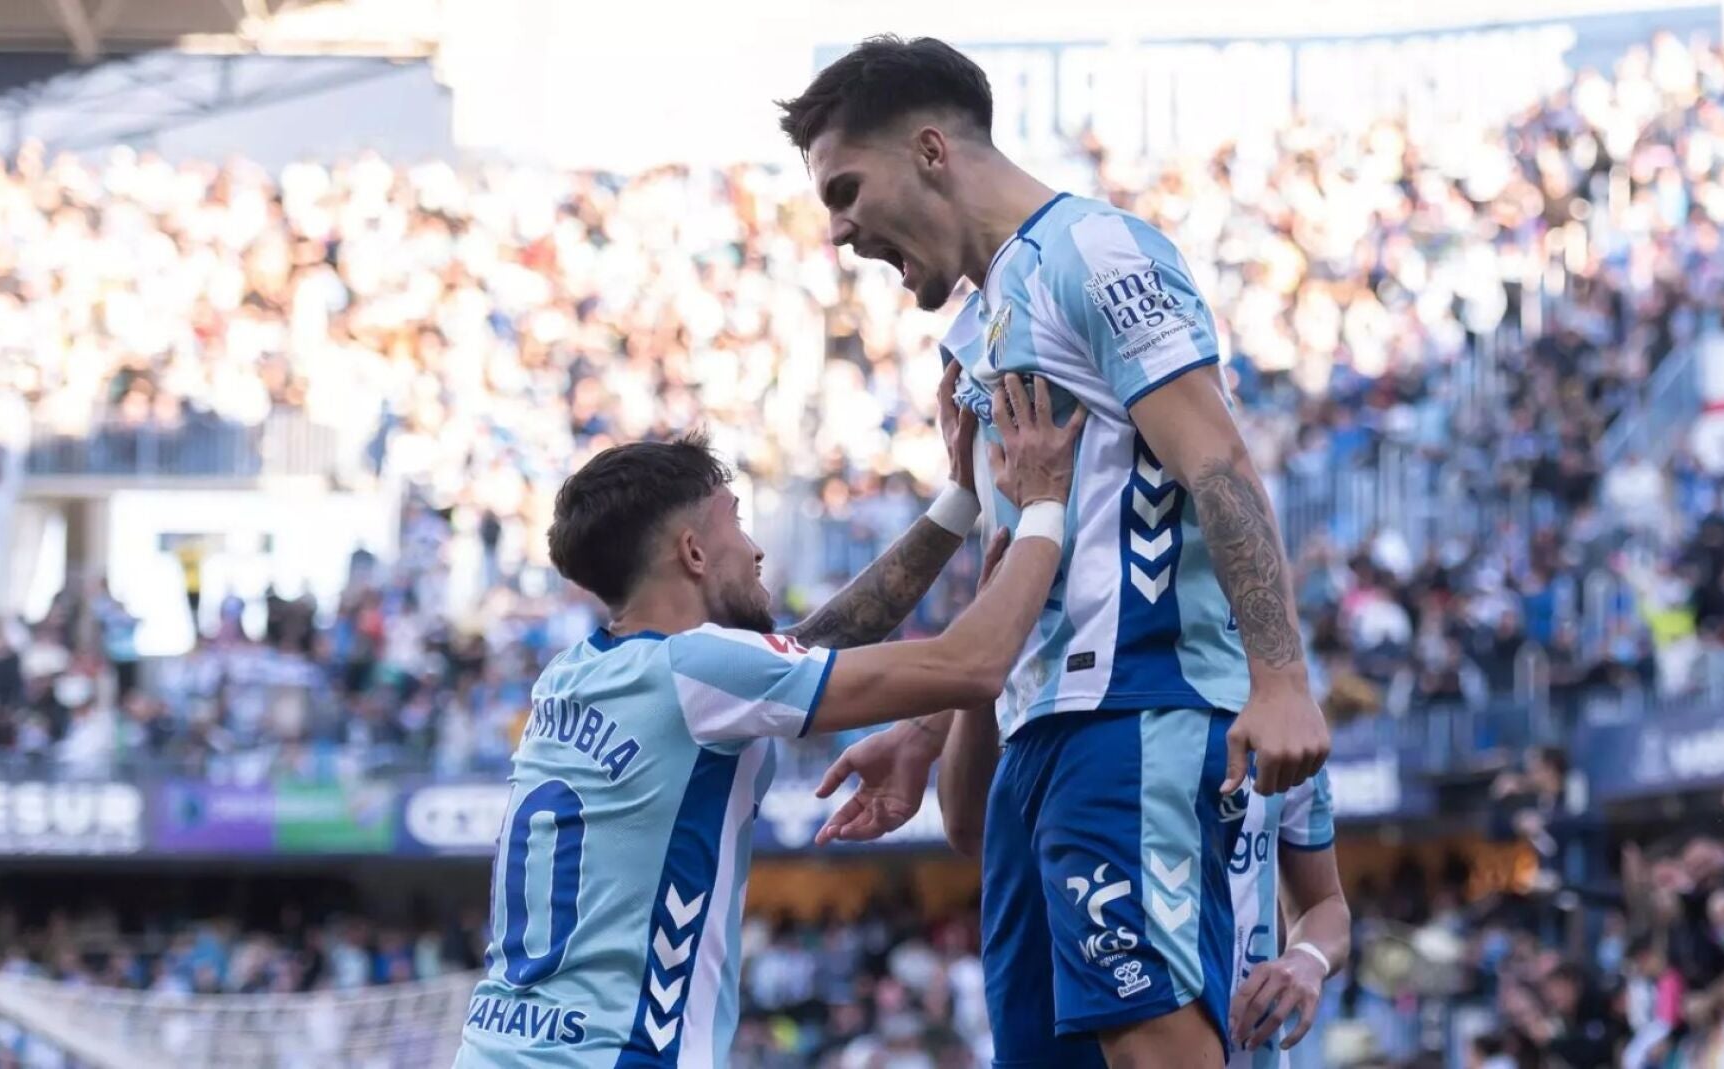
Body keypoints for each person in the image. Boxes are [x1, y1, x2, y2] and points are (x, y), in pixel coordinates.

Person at [778, 34, 1331, 1067]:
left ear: (931, 150)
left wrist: (1283, 676)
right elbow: (1022, 566)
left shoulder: (1097, 253)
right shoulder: (980, 328)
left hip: (1133, 713)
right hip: (1040, 734)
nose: (840, 229)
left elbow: (1216, 461)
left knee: (1156, 1049)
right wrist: (933, 723)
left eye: (846, 189)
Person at [453, 373, 1085, 1068]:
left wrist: (961, 501)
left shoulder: (571, 675)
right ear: (694, 552)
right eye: (737, 523)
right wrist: (1044, 504)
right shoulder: (698, 671)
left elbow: (817, 643)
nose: (756, 551)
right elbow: (976, 665)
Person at [935, 535, 1349, 1069]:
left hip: (1236, 1043)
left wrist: (1308, 958)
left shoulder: (1283, 741)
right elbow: (967, 828)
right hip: (1102, 1035)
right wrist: (988, 649)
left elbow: (1325, 905)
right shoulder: (1073, 704)